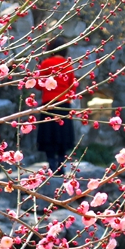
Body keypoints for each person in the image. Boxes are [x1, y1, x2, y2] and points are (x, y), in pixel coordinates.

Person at [36, 38, 78, 174]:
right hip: (64, 104)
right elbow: (72, 87)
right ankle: (61, 163)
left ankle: (52, 164)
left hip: (48, 103)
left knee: (48, 134)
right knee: (63, 135)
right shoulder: (69, 65)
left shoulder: (46, 63)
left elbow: (38, 85)